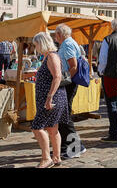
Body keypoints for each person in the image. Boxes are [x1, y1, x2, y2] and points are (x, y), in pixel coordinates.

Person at [31, 32, 70, 168]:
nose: (35, 48)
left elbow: (57, 77)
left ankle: (46, 158)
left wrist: (49, 97)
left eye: (36, 45)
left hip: (52, 98)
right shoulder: (49, 56)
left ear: (42, 43)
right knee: (53, 128)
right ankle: (56, 157)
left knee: (37, 127)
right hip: (53, 97)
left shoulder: (52, 56)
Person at [54, 24, 86, 159]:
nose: (55, 37)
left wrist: (64, 79)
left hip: (68, 83)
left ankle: (76, 147)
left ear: (60, 34)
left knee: (64, 114)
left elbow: (73, 65)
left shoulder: (67, 44)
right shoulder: (69, 43)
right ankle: (65, 146)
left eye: (56, 34)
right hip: (68, 82)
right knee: (62, 114)